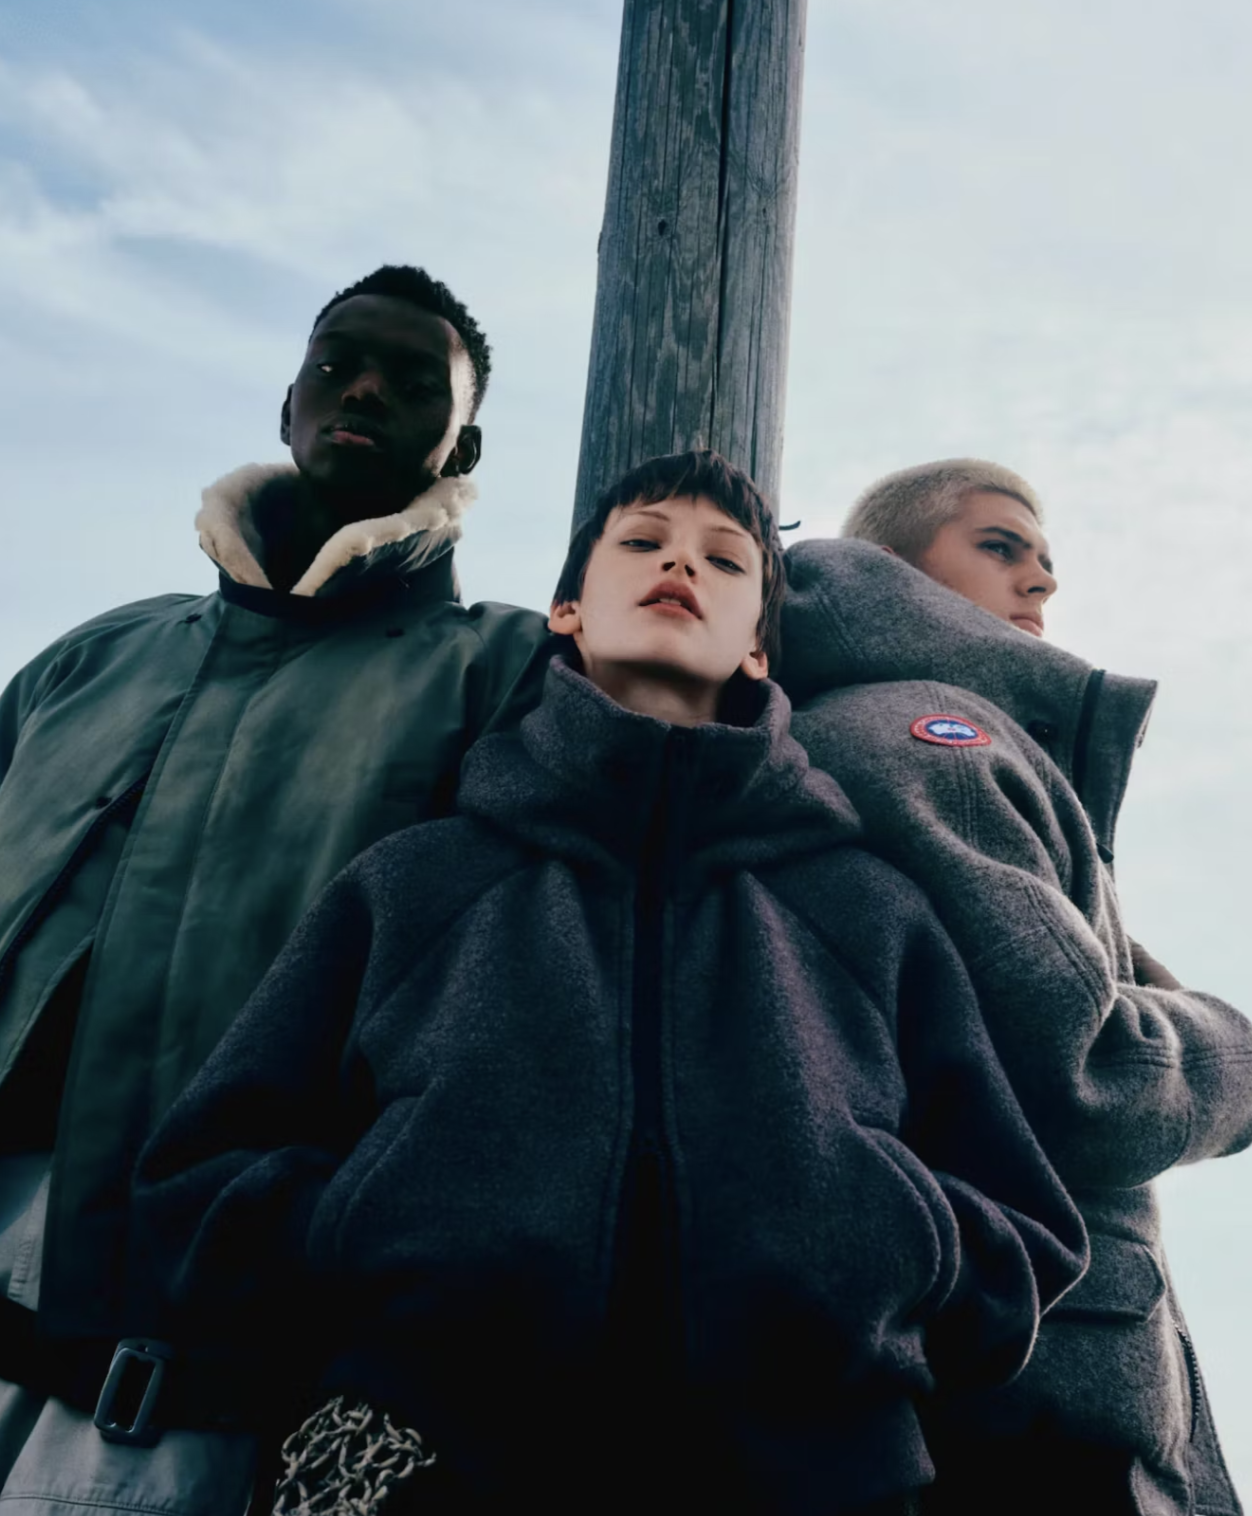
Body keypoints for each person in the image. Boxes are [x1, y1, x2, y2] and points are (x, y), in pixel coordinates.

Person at [132, 451, 1086, 1516]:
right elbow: (195, 1180)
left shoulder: (865, 906)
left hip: (817, 1475)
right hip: (427, 1461)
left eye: (726, 559)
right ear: (567, 611)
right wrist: (380, 1228)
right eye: (642, 541)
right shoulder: (420, 880)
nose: (681, 559)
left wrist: (879, 1243)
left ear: (761, 646)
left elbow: (1026, 1230)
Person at [0, 265, 550, 1516]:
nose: (363, 388)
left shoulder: (505, 675)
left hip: (184, 1373)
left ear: (462, 441)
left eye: (415, 382)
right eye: (336, 362)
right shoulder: (93, 657)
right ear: (285, 399)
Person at [781, 458, 1252, 1516]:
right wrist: (1239, 1056)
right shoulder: (925, 735)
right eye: (998, 547)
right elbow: (1085, 1073)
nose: (1039, 584)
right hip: (1031, 1405)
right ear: (889, 568)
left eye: (1045, 561)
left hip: (1000, 1381)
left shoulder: (903, 732)